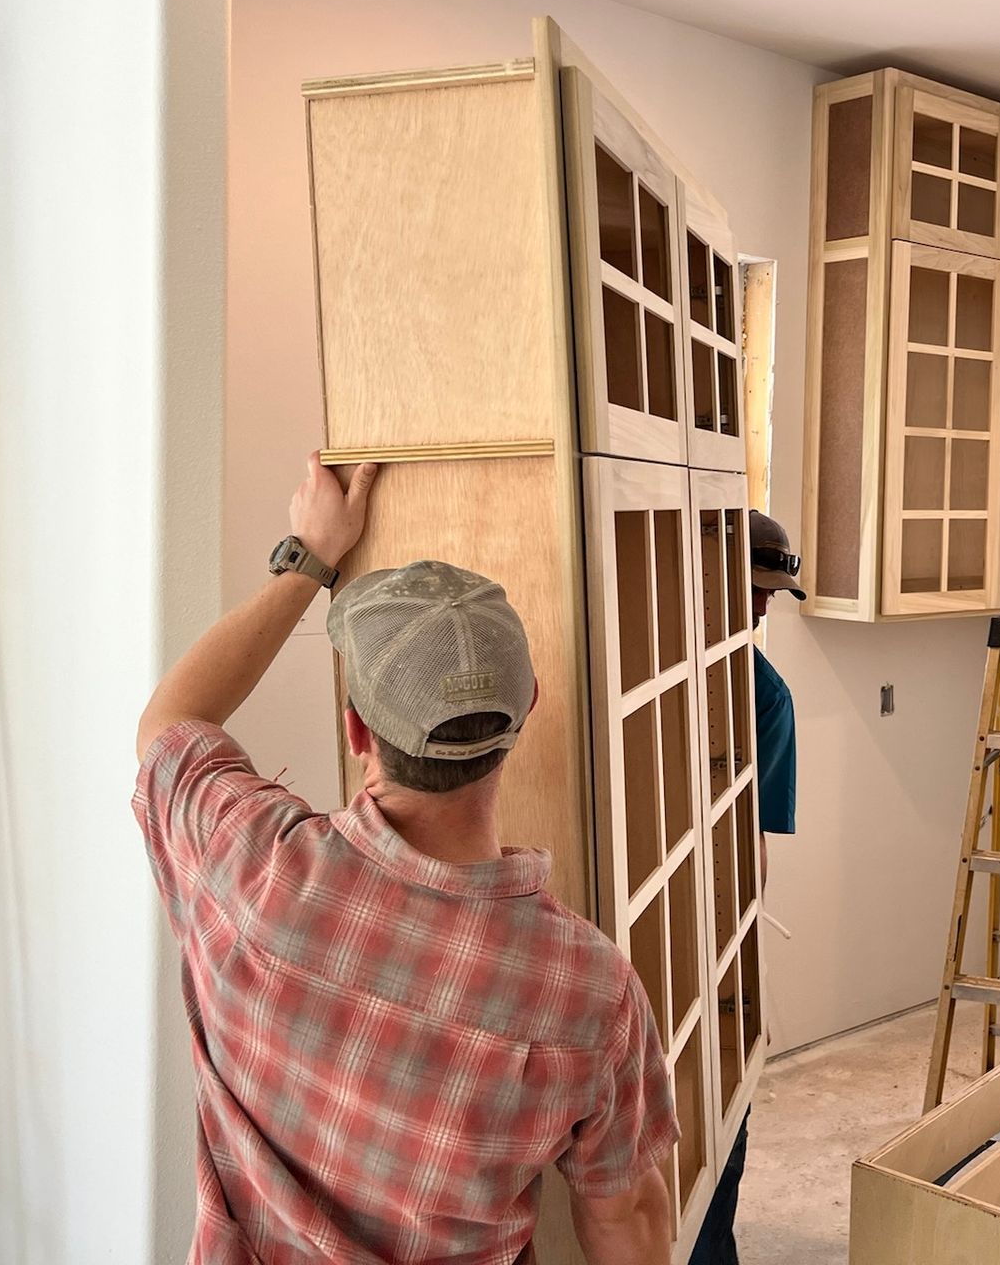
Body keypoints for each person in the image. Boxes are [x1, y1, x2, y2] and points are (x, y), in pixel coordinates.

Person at [133, 453, 676, 1265]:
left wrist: (309, 558)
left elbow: (173, 718)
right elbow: (625, 1218)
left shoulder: (245, 866)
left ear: (356, 732)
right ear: (526, 711)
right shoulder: (587, 992)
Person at [691, 510, 802, 1265]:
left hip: (705, 929)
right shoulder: (762, 697)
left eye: (773, 594)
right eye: (754, 590)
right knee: (713, 1112)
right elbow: (751, 856)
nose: (764, 607)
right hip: (695, 930)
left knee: (718, 1117)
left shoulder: (762, 693)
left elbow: (747, 847)